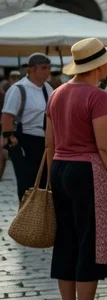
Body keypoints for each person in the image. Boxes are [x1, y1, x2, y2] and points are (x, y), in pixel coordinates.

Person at [44, 39, 107, 300]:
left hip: (61, 168)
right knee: (89, 242)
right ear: (100, 65)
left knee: (66, 240)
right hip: (88, 171)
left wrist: (55, 175)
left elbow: (50, 142)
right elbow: (106, 145)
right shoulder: (98, 96)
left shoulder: (57, 93)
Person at [3, 53, 54, 200]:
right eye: (44, 68)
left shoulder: (48, 89)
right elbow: (7, 116)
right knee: (27, 184)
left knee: (44, 183)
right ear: (31, 69)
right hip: (25, 140)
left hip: (44, 141)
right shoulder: (19, 89)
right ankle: (26, 217)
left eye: (49, 68)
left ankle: (40, 218)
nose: (47, 71)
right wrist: (10, 138)